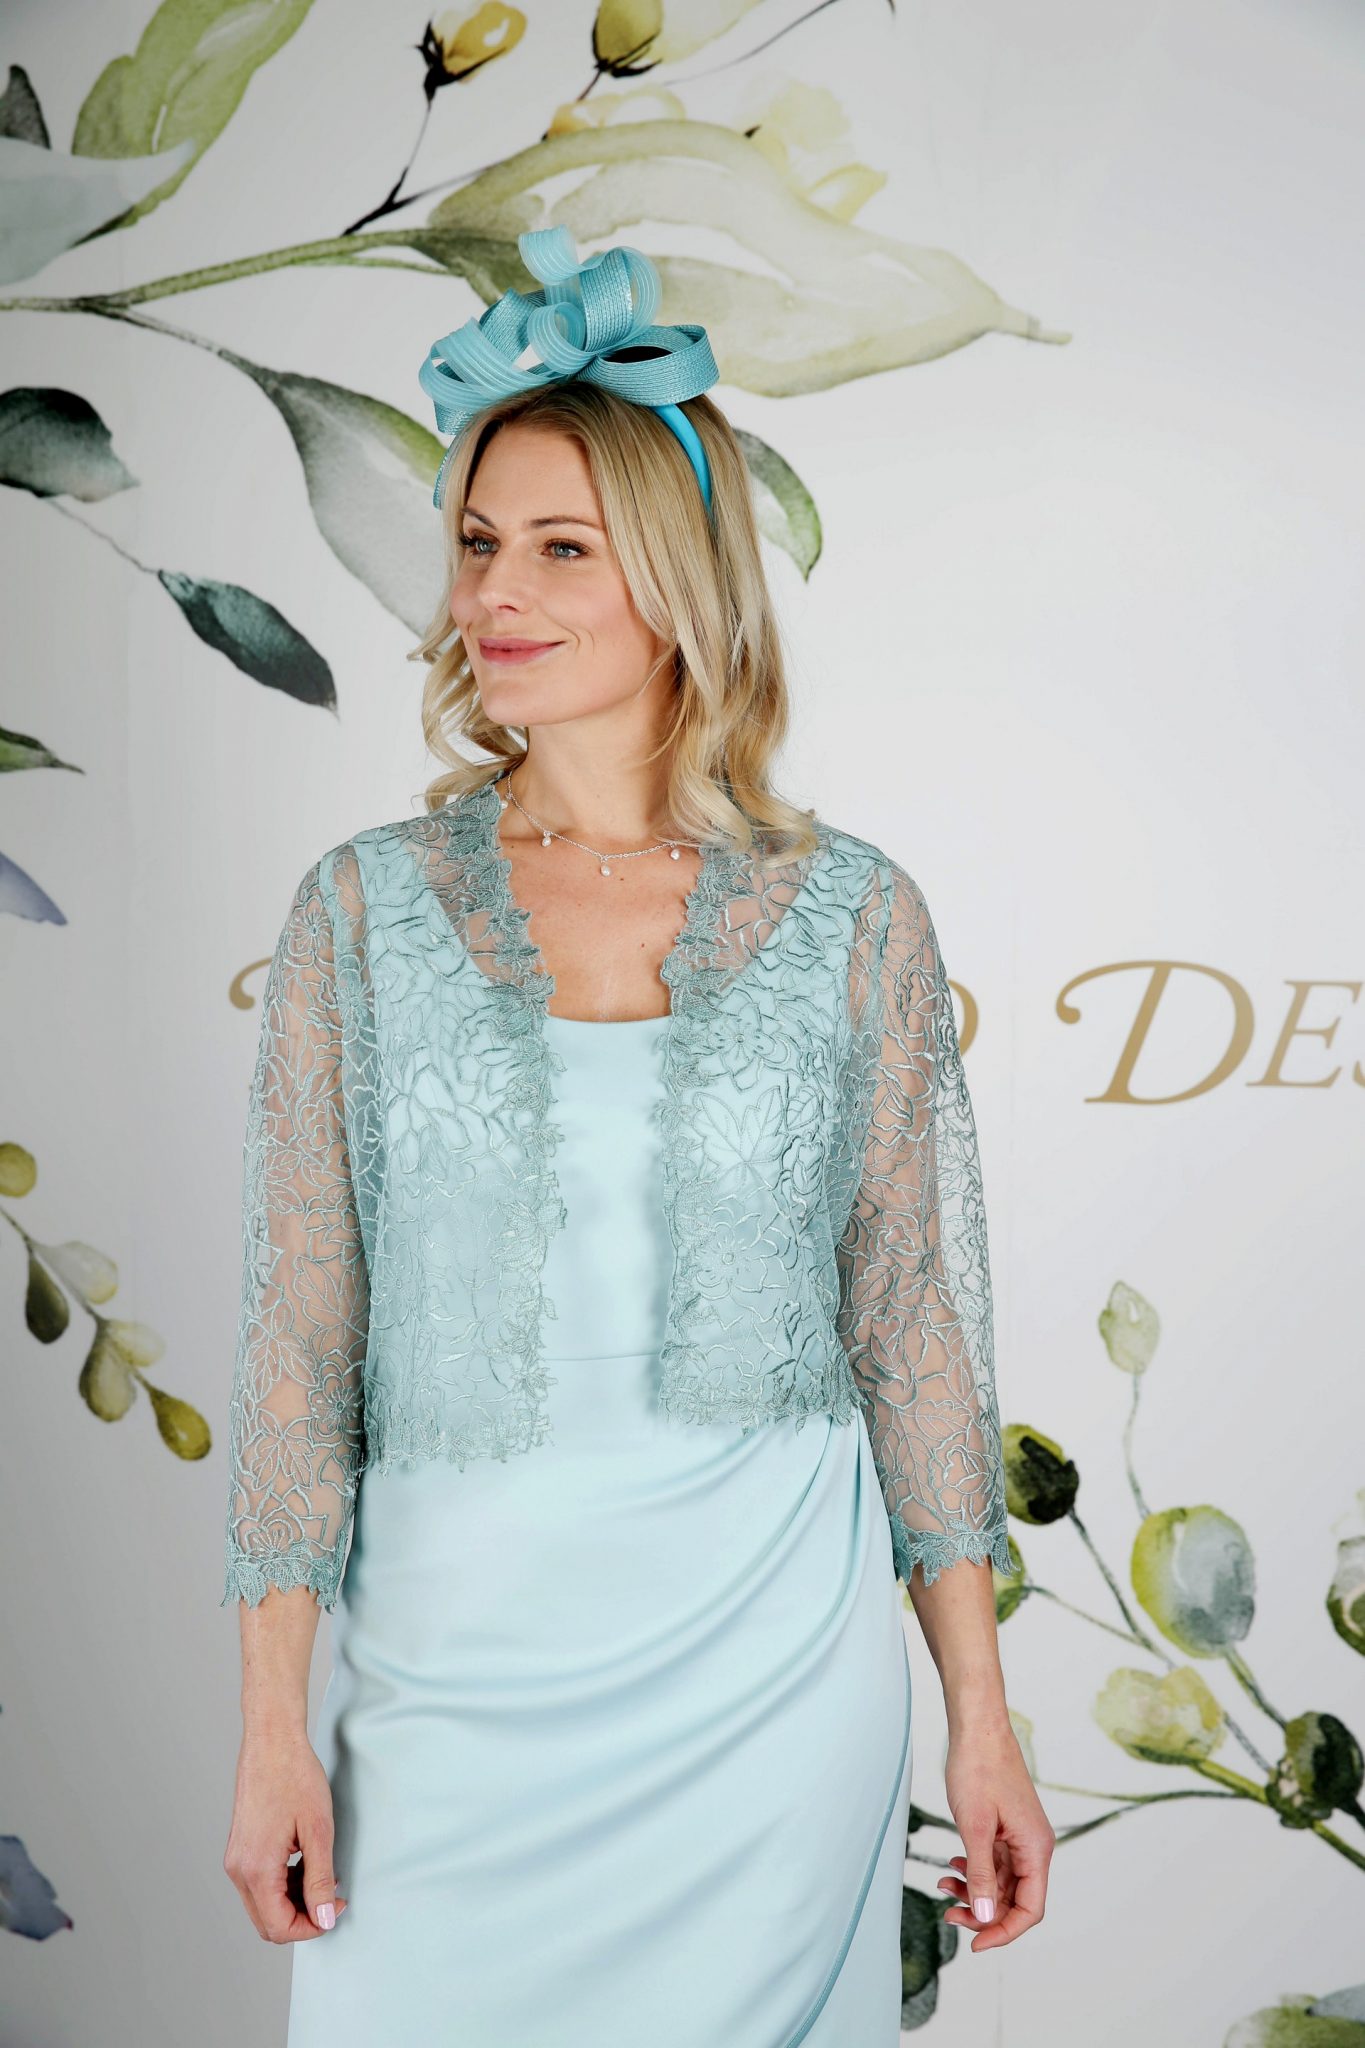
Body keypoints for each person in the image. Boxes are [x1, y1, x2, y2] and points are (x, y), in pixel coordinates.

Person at [221, 229, 1054, 2046]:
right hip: (440, 1702)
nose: (493, 595)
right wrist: (272, 1730)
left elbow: (910, 1332)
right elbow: (298, 1350)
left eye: (560, 548)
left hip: (768, 1699)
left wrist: (980, 1721)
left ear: (678, 583)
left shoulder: (855, 917)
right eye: (476, 543)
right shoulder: (359, 912)